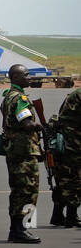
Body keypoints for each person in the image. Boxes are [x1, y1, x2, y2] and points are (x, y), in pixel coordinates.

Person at [0, 64, 43, 244]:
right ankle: (20, 229)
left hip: (15, 149)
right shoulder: (20, 98)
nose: (29, 77)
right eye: (26, 75)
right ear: (16, 78)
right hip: (24, 150)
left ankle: (16, 229)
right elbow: (26, 123)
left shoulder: (9, 96)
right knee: (27, 189)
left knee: (18, 189)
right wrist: (39, 125)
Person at [51, 84, 81, 227]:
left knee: (64, 179)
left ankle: (58, 214)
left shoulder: (76, 94)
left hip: (70, 142)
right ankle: (71, 216)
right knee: (74, 179)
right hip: (73, 144)